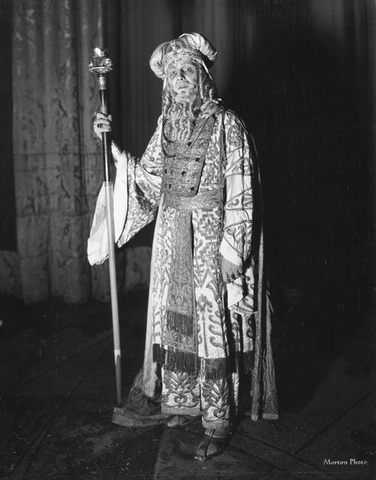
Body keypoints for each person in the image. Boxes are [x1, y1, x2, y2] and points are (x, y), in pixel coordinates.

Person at [89, 32, 278, 461]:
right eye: (172, 73)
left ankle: (217, 417)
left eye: (187, 70)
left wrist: (235, 249)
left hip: (212, 239)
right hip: (172, 238)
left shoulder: (227, 124)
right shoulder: (166, 125)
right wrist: (111, 147)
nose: (179, 79)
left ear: (204, 76)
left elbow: (242, 188)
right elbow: (148, 183)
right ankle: (183, 401)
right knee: (174, 322)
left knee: (211, 329)